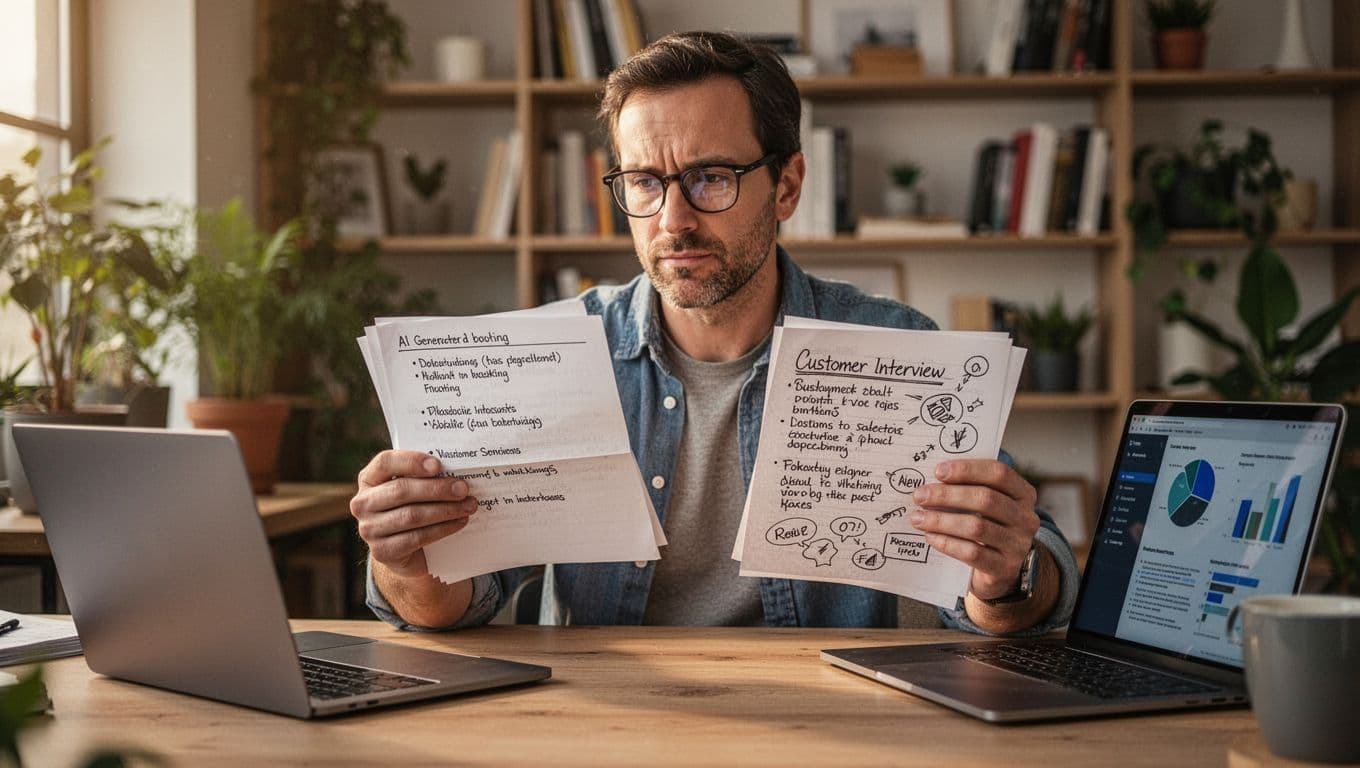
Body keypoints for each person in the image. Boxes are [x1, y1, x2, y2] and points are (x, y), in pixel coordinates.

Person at [351, 31, 1079, 634]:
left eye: (710, 177)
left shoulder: (896, 351)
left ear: (787, 185)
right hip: (597, 728)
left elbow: (1018, 598)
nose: (673, 221)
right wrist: (408, 565)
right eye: (644, 181)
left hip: (823, 727)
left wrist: (1002, 570)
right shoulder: (559, 355)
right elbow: (458, 604)